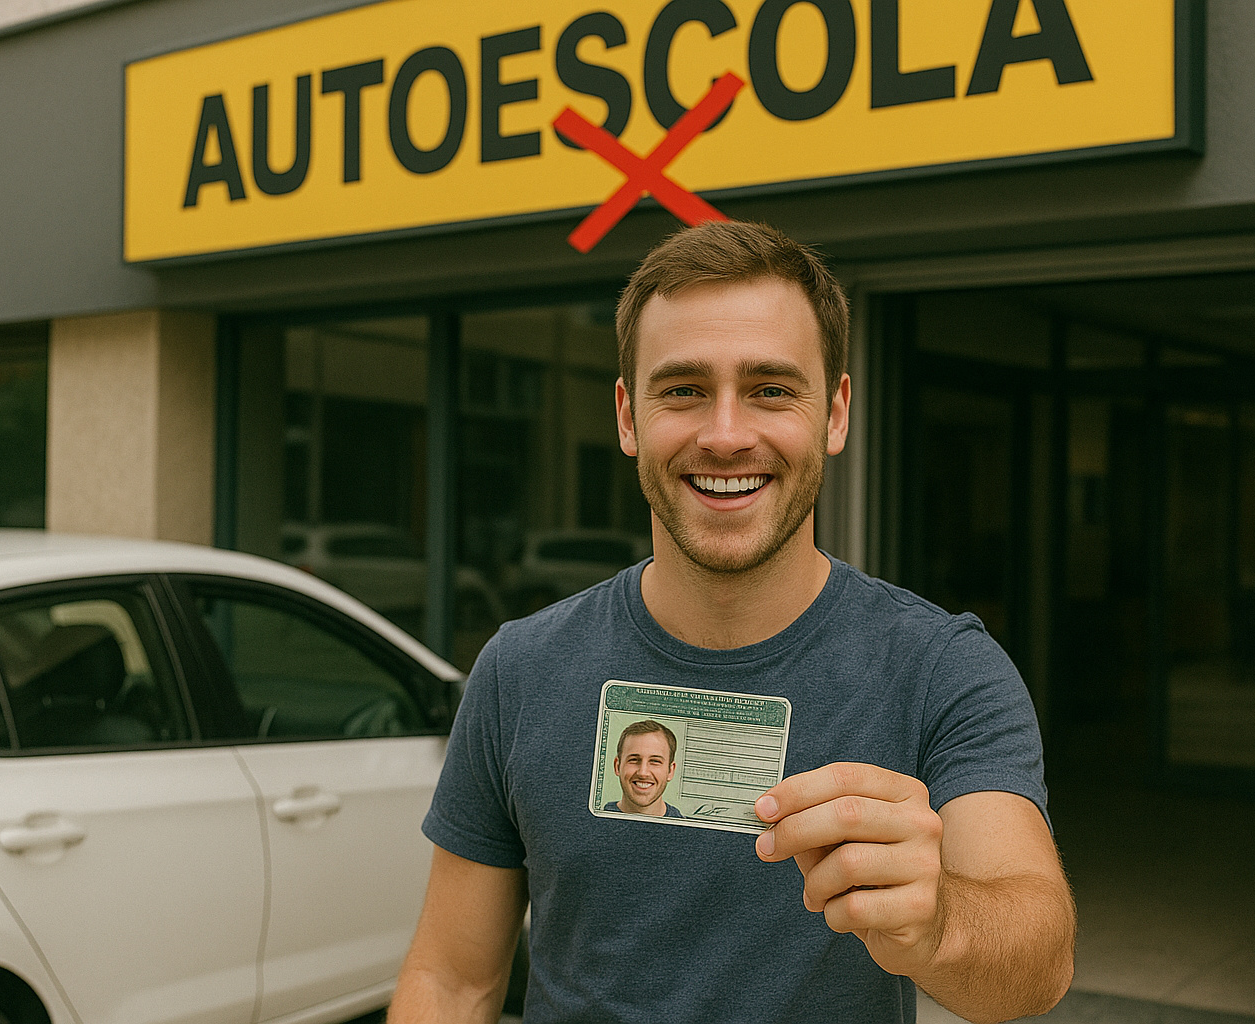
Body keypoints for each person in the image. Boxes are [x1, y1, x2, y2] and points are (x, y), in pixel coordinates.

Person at [389, 221, 1075, 1024]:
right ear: (626, 416)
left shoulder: (940, 669)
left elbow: (1039, 964)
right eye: (682, 389)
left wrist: (938, 921)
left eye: (771, 389)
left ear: (836, 413)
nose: (724, 434)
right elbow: (450, 981)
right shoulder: (520, 668)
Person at [602, 719, 684, 817]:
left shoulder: (687, 830)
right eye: (634, 760)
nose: (643, 773)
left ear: (670, 771)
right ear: (617, 766)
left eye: (655, 761)